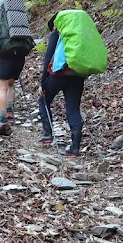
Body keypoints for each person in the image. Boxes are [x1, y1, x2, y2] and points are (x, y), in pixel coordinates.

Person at [37, 14, 88, 156]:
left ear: (56, 24)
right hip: (77, 75)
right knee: (73, 109)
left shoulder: (57, 34)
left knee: (44, 99)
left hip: (58, 74)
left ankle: (47, 134)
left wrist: (42, 82)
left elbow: (49, 57)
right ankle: (75, 147)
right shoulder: (79, 35)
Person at [0, 0, 31, 123]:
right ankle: (10, 111)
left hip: (5, 55)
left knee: (2, 87)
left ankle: (2, 117)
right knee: (11, 84)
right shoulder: (15, 20)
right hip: (20, 54)